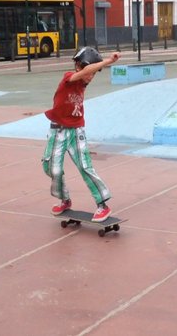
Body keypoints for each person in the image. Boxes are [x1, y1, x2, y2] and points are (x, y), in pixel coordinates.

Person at [43, 47, 120, 223]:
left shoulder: (83, 83)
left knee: (85, 167)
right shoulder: (68, 78)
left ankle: (102, 205)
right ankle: (65, 200)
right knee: (52, 169)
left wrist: (100, 66)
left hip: (76, 131)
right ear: (78, 66)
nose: (91, 77)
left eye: (94, 74)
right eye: (89, 72)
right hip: (57, 131)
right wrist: (109, 61)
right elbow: (85, 72)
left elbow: (87, 72)